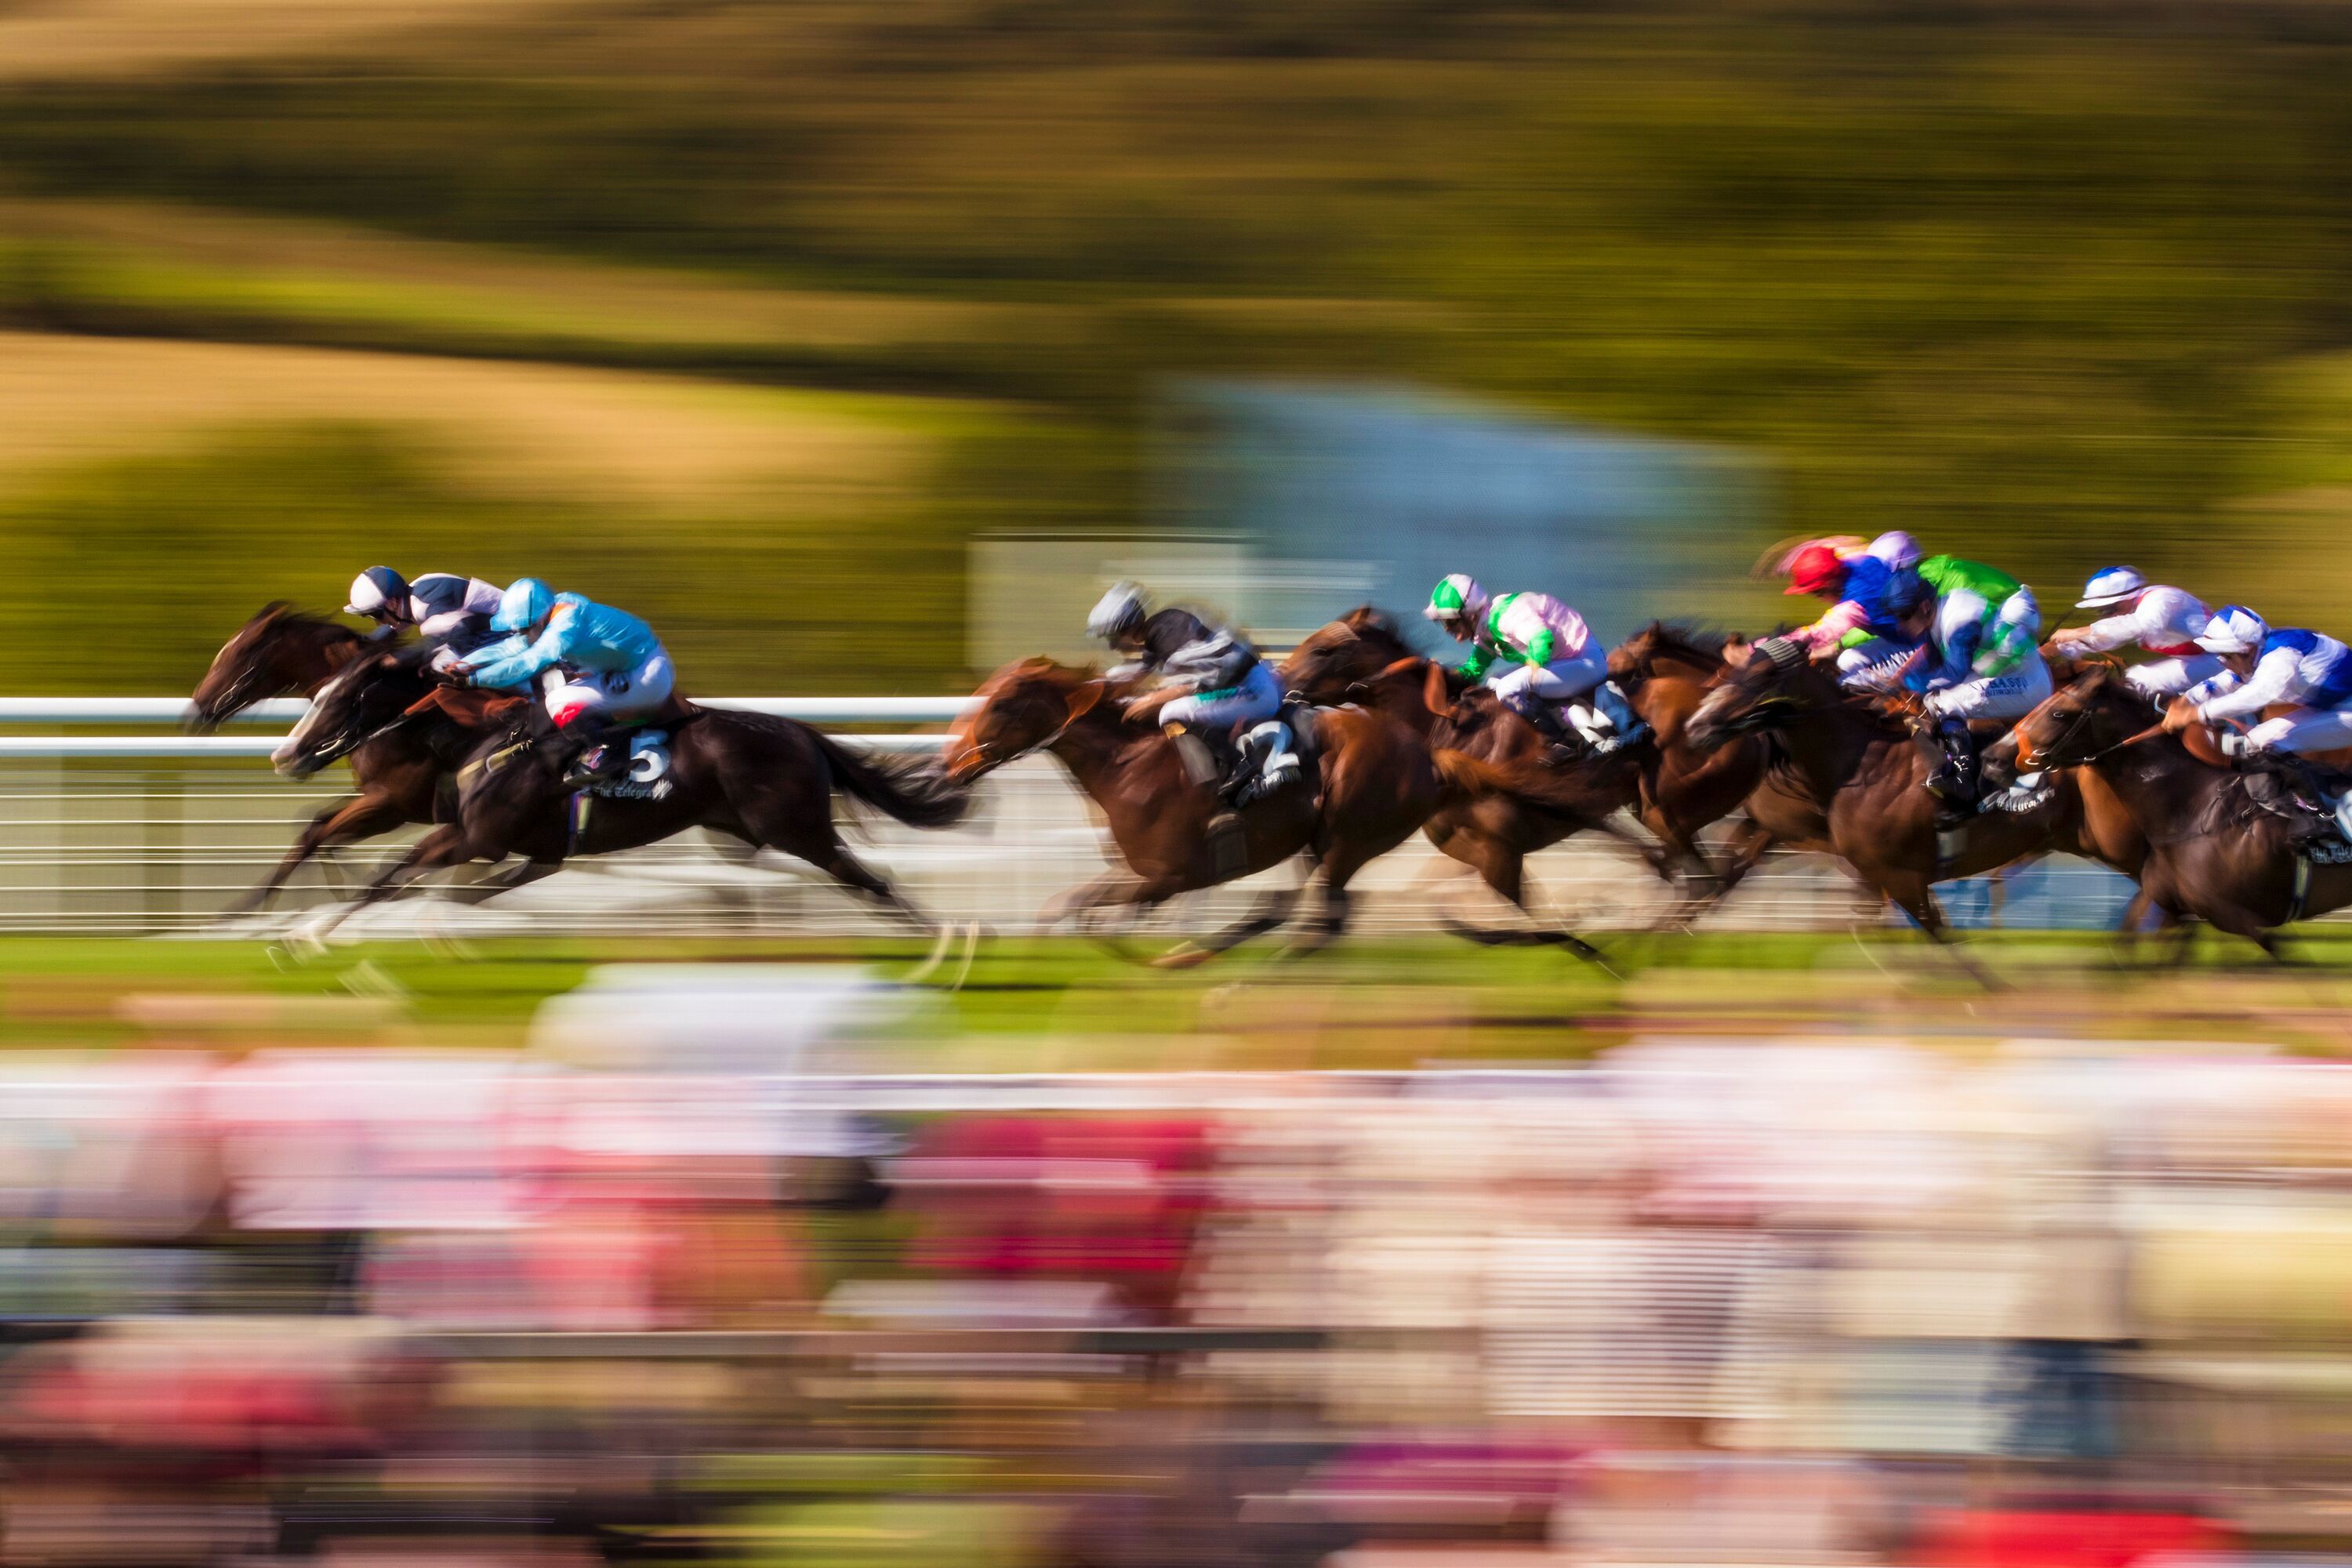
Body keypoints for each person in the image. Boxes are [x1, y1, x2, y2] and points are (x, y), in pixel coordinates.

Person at [1085, 582, 1298, 808]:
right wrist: (1091, 687)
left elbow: (1201, 683)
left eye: (1112, 638)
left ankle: (1244, 764)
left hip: (1252, 693)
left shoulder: (1166, 636)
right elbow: (1132, 675)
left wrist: (1152, 699)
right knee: (1165, 704)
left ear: (1125, 628)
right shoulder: (1160, 630)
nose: (1113, 647)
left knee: (1170, 712)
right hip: (1249, 685)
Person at [448, 579, 676, 789]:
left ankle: (603, 755)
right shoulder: (550, 615)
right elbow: (512, 647)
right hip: (631, 668)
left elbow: (531, 662)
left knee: (558, 700)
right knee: (562, 694)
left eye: (524, 629)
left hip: (646, 674)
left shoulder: (565, 623)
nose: (520, 634)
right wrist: (464, 664)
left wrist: (475, 679)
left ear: (539, 619)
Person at [1889, 554, 2051, 817]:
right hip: (2004, 673)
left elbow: (1954, 672)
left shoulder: (1959, 619)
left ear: (1926, 606)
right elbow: (1930, 662)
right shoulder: (1936, 614)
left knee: (1944, 701)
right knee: (1932, 701)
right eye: (1896, 616)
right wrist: (1897, 682)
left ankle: (1964, 781)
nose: (1900, 625)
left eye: (1904, 616)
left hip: (2028, 683)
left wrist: (1909, 685)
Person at [1423, 574, 1641, 755]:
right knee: (1492, 683)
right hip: (1565, 663)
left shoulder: (1506, 616)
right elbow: (1473, 672)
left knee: (1508, 687)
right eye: (1442, 623)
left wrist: (1534, 666)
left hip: (1586, 663)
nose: (1446, 630)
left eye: (1450, 622)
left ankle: (1567, 741)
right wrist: (1436, 674)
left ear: (1470, 615)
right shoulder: (1486, 633)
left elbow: (1541, 638)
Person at [2046, 567, 2217, 703]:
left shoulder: (2161, 598)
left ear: (2127, 598)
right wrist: (2057, 650)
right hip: (2200, 659)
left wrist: (2078, 632)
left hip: (2224, 658)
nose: (2107, 615)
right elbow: (2107, 638)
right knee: (2134, 678)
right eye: (2102, 611)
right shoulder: (2136, 610)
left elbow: (2140, 625)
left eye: (2110, 609)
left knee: (2138, 680)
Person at [1780, 532, 1927, 687]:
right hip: (1905, 635)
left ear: (1829, 585)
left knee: (1847, 682)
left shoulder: (1852, 605)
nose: (1818, 598)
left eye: (1816, 593)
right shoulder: (1858, 561)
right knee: (1847, 660)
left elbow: (1818, 634)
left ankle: (1906, 701)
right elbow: (1840, 546)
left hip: (1921, 646)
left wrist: (1773, 648)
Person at [345, 567, 507, 670]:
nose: (379, 621)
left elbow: (461, 635)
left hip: (510, 630)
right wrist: (363, 645)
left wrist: (403, 657)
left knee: (439, 665)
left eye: (376, 615)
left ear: (392, 602)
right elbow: (396, 627)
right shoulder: (411, 595)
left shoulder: (423, 606)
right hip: (486, 625)